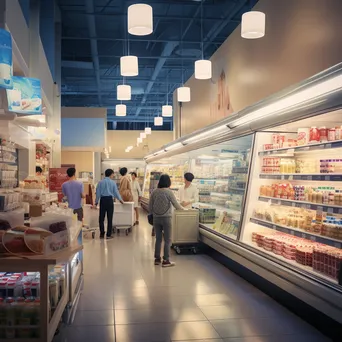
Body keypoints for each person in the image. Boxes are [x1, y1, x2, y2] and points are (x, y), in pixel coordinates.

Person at [149, 174, 184, 267]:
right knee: (168, 240)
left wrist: (154, 214)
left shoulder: (154, 192)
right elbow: (176, 204)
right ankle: (166, 260)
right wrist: (183, 209)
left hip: (156, 219)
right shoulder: (169, 192)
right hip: (166, 218)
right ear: (168, 182)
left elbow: (150, 206)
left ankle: (157, 259)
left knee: (158, 239)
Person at [95, 169, 124, 240]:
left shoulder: (100, 182)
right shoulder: (113, 183)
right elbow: (116, 192)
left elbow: (98, 193)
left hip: (103, 200)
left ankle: (102, 233)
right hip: (110, 200)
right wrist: (120, 200)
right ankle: (108, 234)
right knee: (110, 217)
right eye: (113, 174)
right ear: (111, 174)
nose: (113, 175)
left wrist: (96, 202)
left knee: (101, 217)